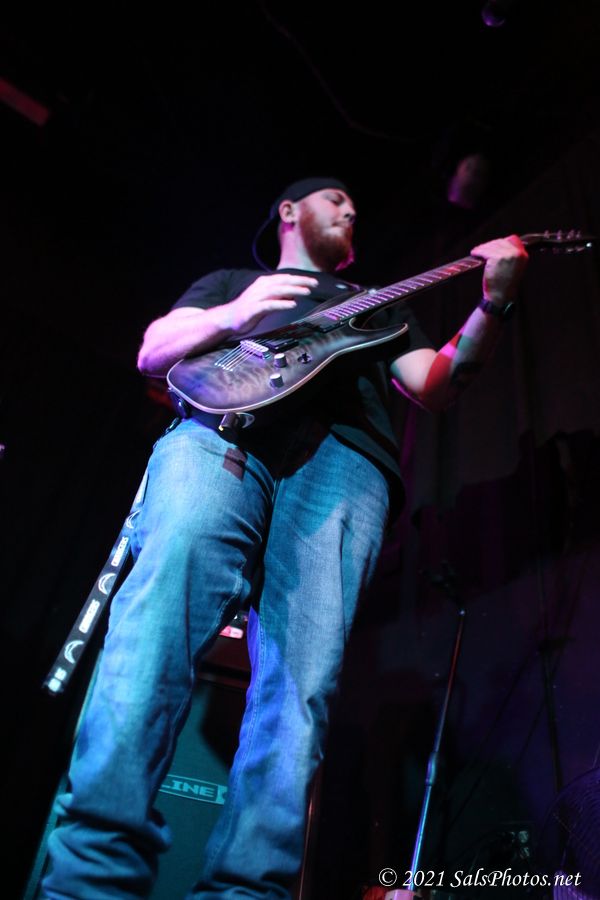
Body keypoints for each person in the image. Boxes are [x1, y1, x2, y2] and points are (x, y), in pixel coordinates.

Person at [42, 176, 528, 899]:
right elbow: (154, 352)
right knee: (154, 628)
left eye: (355, 204)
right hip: (221, 436)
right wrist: (237, 313)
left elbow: (433, 383)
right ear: (290, 213)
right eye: (336, 199)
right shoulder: (232, 282)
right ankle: (90, 878)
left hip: (347, 465)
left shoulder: (380, 304)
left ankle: (248, 890)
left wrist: (495, 302)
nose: (353, 208)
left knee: (301, 688)